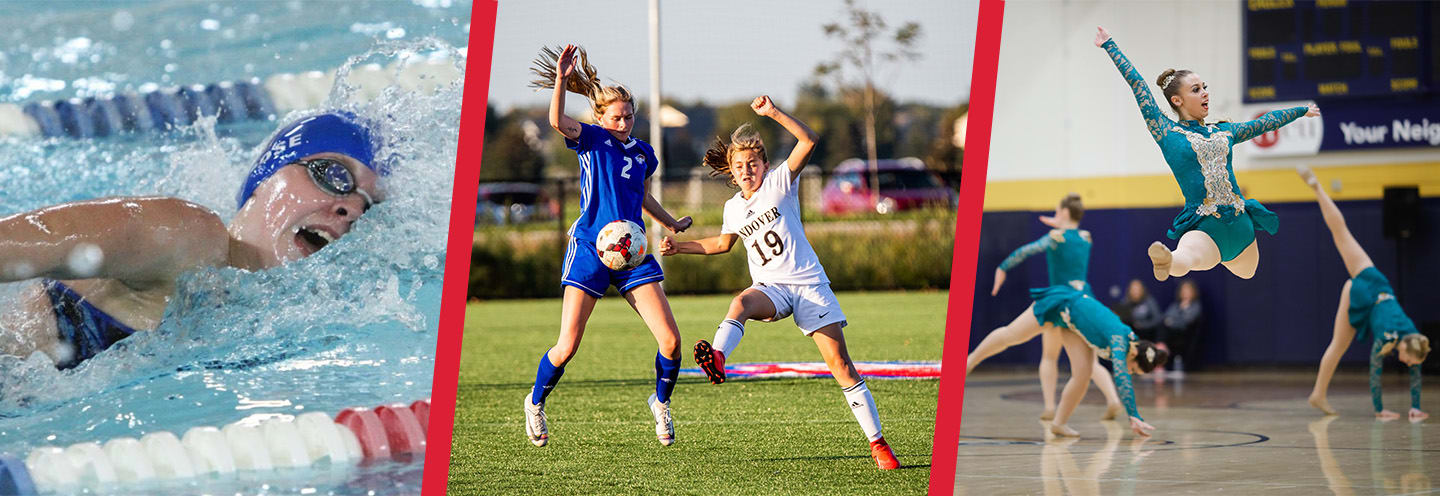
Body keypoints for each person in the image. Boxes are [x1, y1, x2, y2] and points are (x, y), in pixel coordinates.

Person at [1, 110, 384, 370]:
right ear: (265, 179)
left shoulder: (285, 320)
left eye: (368, 206)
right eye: (332, 174)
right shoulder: (187, 234)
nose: (350, 207)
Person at [658, 95, 899, 470]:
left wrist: (772, 113)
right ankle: (718, 358)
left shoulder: (779, 183)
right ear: (732, 172)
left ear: (765, 165)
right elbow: (722, 245)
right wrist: (679, 247)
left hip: (808, 286)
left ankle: (878, 444)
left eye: (753, 163)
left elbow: (809, 141)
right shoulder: (732, 208)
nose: (746, 170)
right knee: (739, 303)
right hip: (771, 288)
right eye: (739, 166)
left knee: (841, 365)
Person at [521, 45, 693, 448]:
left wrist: (669, 221)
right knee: (567, 347)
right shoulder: (591, 139)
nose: (623, 122)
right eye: (616, 116)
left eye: (629, 115)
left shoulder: (644, 153)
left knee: (670, 341)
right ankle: (535, 401)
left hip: (631, 254)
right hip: (590, 249)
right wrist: (562, 79)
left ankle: (661, 402)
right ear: (600, 117)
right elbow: (555, 119)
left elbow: (640, 195)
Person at [1094, 26, 1320, 282]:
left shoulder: (1224, 131)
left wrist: (1301, 110)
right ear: (1177, 100)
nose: (1205, 92)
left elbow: (1265, 123)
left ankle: (1173, 261)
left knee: (1245, 272)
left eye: (1205, 87)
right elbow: (1139, 86)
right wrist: (1110, 45)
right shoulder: (1166, 132)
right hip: (1207, 227)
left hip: (1242, 227)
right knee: (1186, 258)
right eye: (1196, 89)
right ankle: (1167, 260)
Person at [970, 194, 1125, 421]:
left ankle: (1050, 406)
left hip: (1057, 302)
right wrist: (1059, 223)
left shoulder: (1055, 237)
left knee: (1046, 354)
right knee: (1089, 363)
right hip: (1083, 301)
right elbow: (1069, 235)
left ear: (1063, 212)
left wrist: (1002, 267)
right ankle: (1112, 400)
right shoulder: (1086, 236)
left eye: (1057, 211)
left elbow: (1027, 250)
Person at [1299, 167, 1429, 421]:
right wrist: (1380, 410)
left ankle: (1317, 188)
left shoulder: (1414, 337)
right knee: (1337, 345)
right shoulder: (1388, 337)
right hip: (1362, 295)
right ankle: (1318, 394)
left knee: (1342, 233)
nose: (1407, 363)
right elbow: (1375, 371)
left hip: (1374, 280)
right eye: (1407, 359)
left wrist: (1416, 406)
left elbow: (1416, 367)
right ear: (1402, 346)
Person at [1157, 280, 1204, 379]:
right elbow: (1165, 317)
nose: (1185, 293)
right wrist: (1177, 316)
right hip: (1173, 333)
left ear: (1193, 292)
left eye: (1188, 291)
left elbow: (1186, 321)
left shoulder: (1196, 306)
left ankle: (1162, 348)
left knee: (1169, 328)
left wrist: (1175, 319)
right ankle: (1161, 346)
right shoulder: (1176, 305)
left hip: (1185, 334)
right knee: (1162, 326)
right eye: (1184, 290)